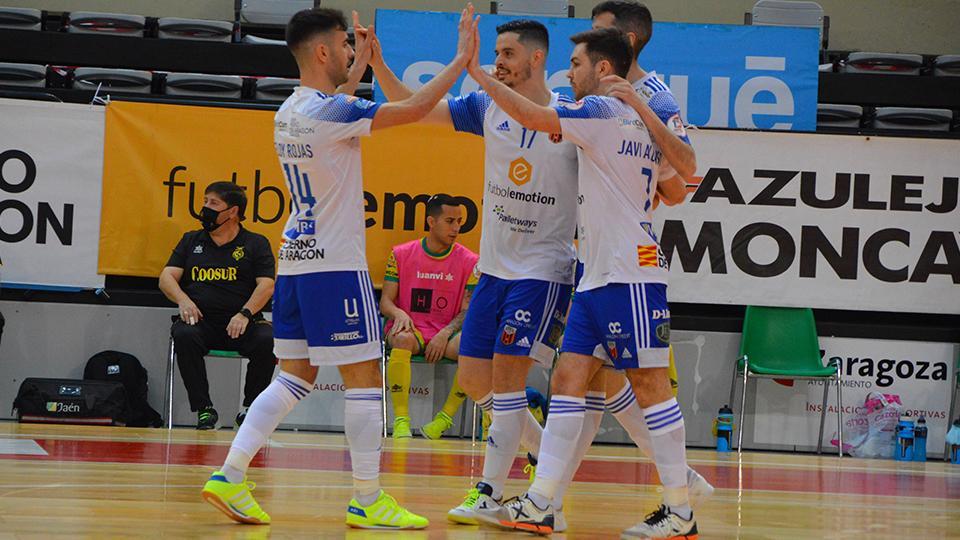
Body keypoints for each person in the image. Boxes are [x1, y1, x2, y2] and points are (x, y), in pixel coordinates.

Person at [200, 5, 478, 530]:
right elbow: (416, 108)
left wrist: (361, 66)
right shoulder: (334, 112)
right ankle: (367, 497)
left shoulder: (291, 109)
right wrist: (462, 59)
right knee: (365, 375)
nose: (353, 51)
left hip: (296, 260)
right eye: (346, 46)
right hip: (334, 266)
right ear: (323, 51)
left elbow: (339, 104)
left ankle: (231, 473)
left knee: (294, 376)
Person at [466, 26, 700, 538]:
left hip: (628, 271)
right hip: (595, 274)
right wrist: (642, 122)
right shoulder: (631, 115)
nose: (568, 73)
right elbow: (679, 185)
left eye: (575, 64)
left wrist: (479, 75)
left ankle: (680, 510)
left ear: (603, 68)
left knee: (650, 387)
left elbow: (534, 116)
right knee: (568, 379)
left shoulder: (598, 110)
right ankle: (542, 503)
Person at [369, 19, 577, 527]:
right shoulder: (487, 106)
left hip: (541, 270)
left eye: (507, 53)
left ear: (536, 58)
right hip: (494, 269)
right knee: (472, 376)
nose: (497, 61)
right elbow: (416, 108)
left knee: (507, 382)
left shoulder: (570, 115)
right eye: (495, 52)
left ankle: (491, 491)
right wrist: (379, 65)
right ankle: (546, 459)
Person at [159, 182, 277, 430]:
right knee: (183, 333)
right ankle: (204, 410)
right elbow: (166, 277)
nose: (205, 208)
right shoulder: (191, 240)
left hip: (241, 323)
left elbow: (267, 285)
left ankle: (250, 410)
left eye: (213, 203)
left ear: (232, 211)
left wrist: (245, 313)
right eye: (205, 201)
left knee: (267, 338)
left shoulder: (256, 243)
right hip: (203, 322)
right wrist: (183, 300)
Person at [380, 193, 479, 440]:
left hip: (447, 332)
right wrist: (398, 313)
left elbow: (469, 309)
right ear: (431, 222)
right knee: (401, 339)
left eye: (459, 221)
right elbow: (385, 302)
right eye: (450, 221)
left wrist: (445, 333)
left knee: (474, 345)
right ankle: (401, 421)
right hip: (412, 329)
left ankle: (443, 420)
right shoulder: (400, 254)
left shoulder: (471, 261)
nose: (456, 228)